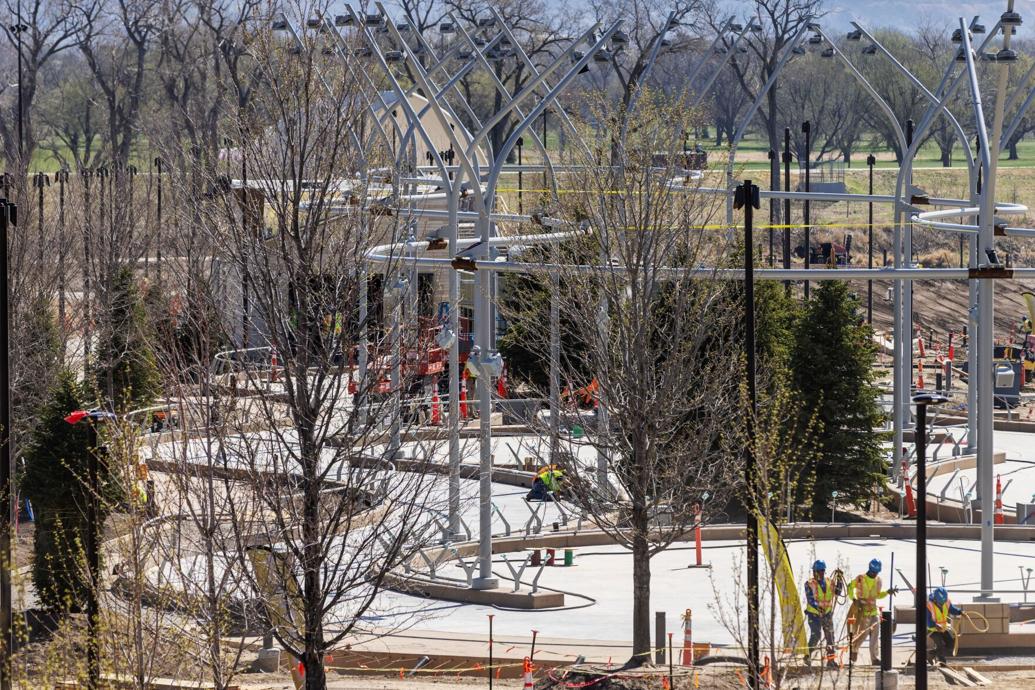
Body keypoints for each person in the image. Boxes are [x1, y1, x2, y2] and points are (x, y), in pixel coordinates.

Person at [847, 558, 896, 665]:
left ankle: (874, 658)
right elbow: (849, 587)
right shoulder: (860, 578)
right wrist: (854, 599)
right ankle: (854, 650)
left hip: (873, 612)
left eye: (877, 572)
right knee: (862, 635)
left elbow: (877, 595)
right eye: (873, 572)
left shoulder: (878, 580)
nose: (875, 574)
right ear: (870, 569)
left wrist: (887, 592)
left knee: (875, 636)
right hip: (862, 612)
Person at [803, 560, 842, 667]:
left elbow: (838, 592)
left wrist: (840, 581)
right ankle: (807, 656)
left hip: (827, 614)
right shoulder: (809, 584)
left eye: (821, 571)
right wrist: (818, 607)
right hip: (814, 614)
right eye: (816, 571)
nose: (818, 573)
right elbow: (810, 599)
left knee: (830, 637)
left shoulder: (829, 582)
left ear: (824, 571)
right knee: (816, 635)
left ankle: (831, 660)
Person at [928, 587, 963, 665]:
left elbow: (952, 609)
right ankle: (942, 661)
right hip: (932, 629)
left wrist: (960, 612)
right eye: (940, 603)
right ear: (935, 599)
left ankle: (931, 654)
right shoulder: (929, 605)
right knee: (941, 645)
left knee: (951, 644)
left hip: (943, 628)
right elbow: (927, 621)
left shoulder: (946, 602)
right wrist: (935, 625)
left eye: (943, 602)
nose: (942, 604)